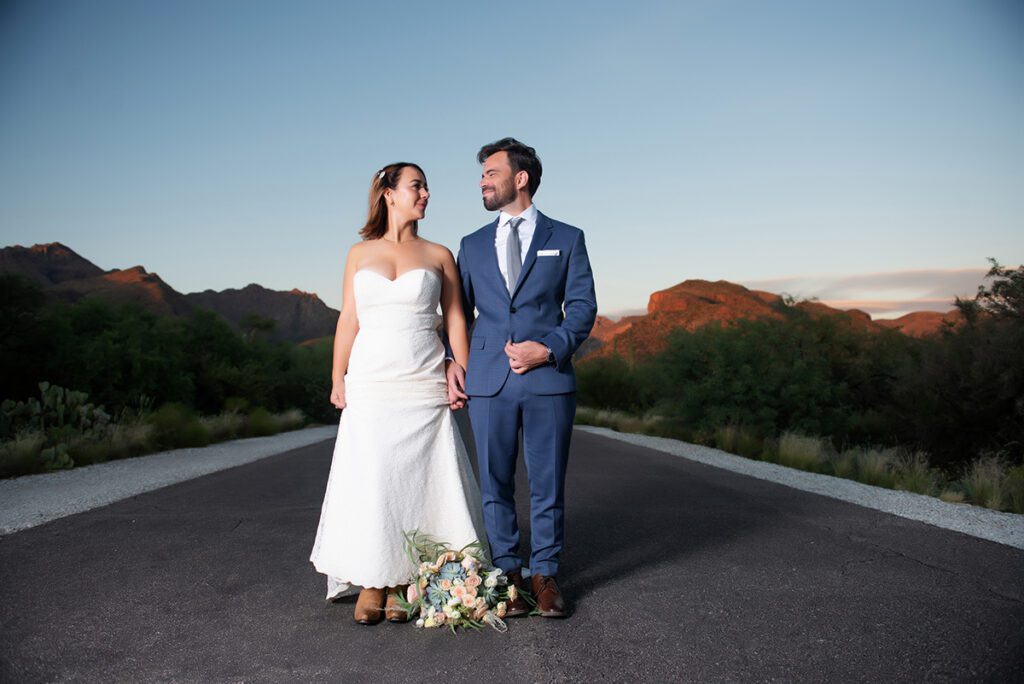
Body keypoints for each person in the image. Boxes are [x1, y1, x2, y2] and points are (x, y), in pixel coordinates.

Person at [310, 162, 486, 626]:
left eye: (426, 187)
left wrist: (459, 368)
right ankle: (373, 579)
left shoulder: (440, 253)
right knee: (374, 478)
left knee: (423, 478)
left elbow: (455, 320)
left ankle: (413, 577)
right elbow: (349, 318)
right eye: (416, 185)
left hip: (422, 379)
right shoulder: (357, 254)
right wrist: (337, 376)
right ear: (388, 193)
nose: (425, 193)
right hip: (370, 382)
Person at [447, 138, 597, 618]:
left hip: (549, 380)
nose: (482, 181)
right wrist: (455, 361)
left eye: (490, 172)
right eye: (482, 174)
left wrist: (548, 348)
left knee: (547, 483)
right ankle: (507, 573)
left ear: (520, 178)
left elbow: (582, 307)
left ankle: (545, 574)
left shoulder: (567, 237)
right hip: (487, 381)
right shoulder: (469, 245)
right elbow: (456, 313)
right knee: (494, 483)